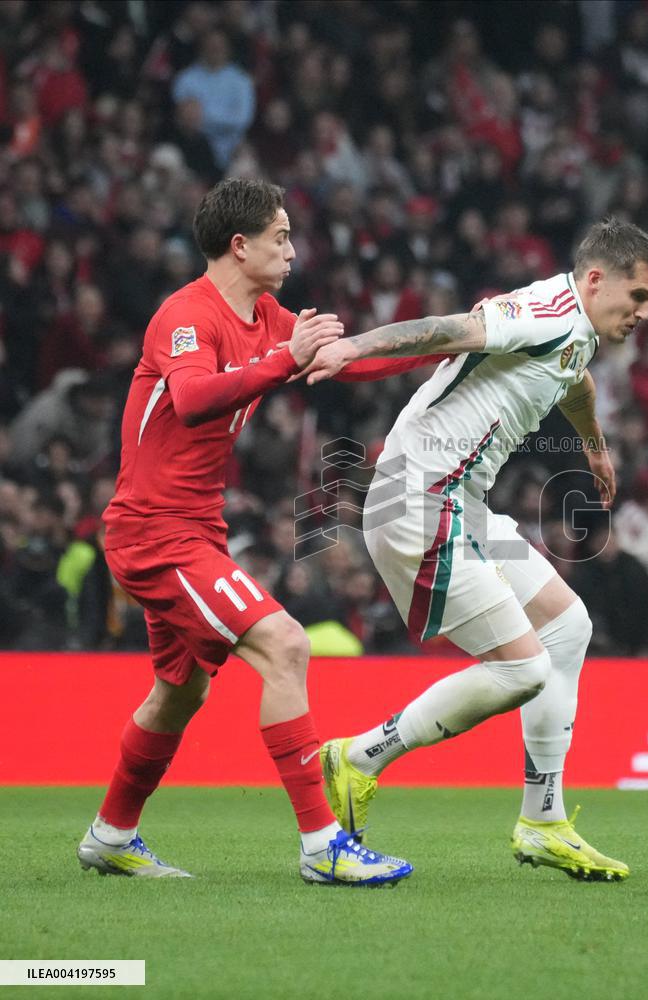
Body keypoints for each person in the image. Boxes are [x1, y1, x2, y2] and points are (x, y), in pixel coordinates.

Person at [306, 218, 648, 881]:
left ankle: (542, 820)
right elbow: (449, 329)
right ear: (595, 280)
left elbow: (574, 379)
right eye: (639, 296)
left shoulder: (577, 332)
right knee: (524, 670)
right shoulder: (540, 310)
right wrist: (352, 348)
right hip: (415, 501)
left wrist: (591, 444)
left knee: (568, 625)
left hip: (458, 504)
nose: (644, 313)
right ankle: (358, 758)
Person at [76, 178, 419, 886]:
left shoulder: (266, 317)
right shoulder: (185, 314)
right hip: (153, 532)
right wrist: (283, 359)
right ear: (241, 245)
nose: (292, 250)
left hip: (197, 530)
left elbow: (340, 356)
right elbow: (195, 397)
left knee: (180, 692)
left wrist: (454, 346)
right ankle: (323, 845)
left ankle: (110, 834)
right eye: (281, 237)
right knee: (286, 644)